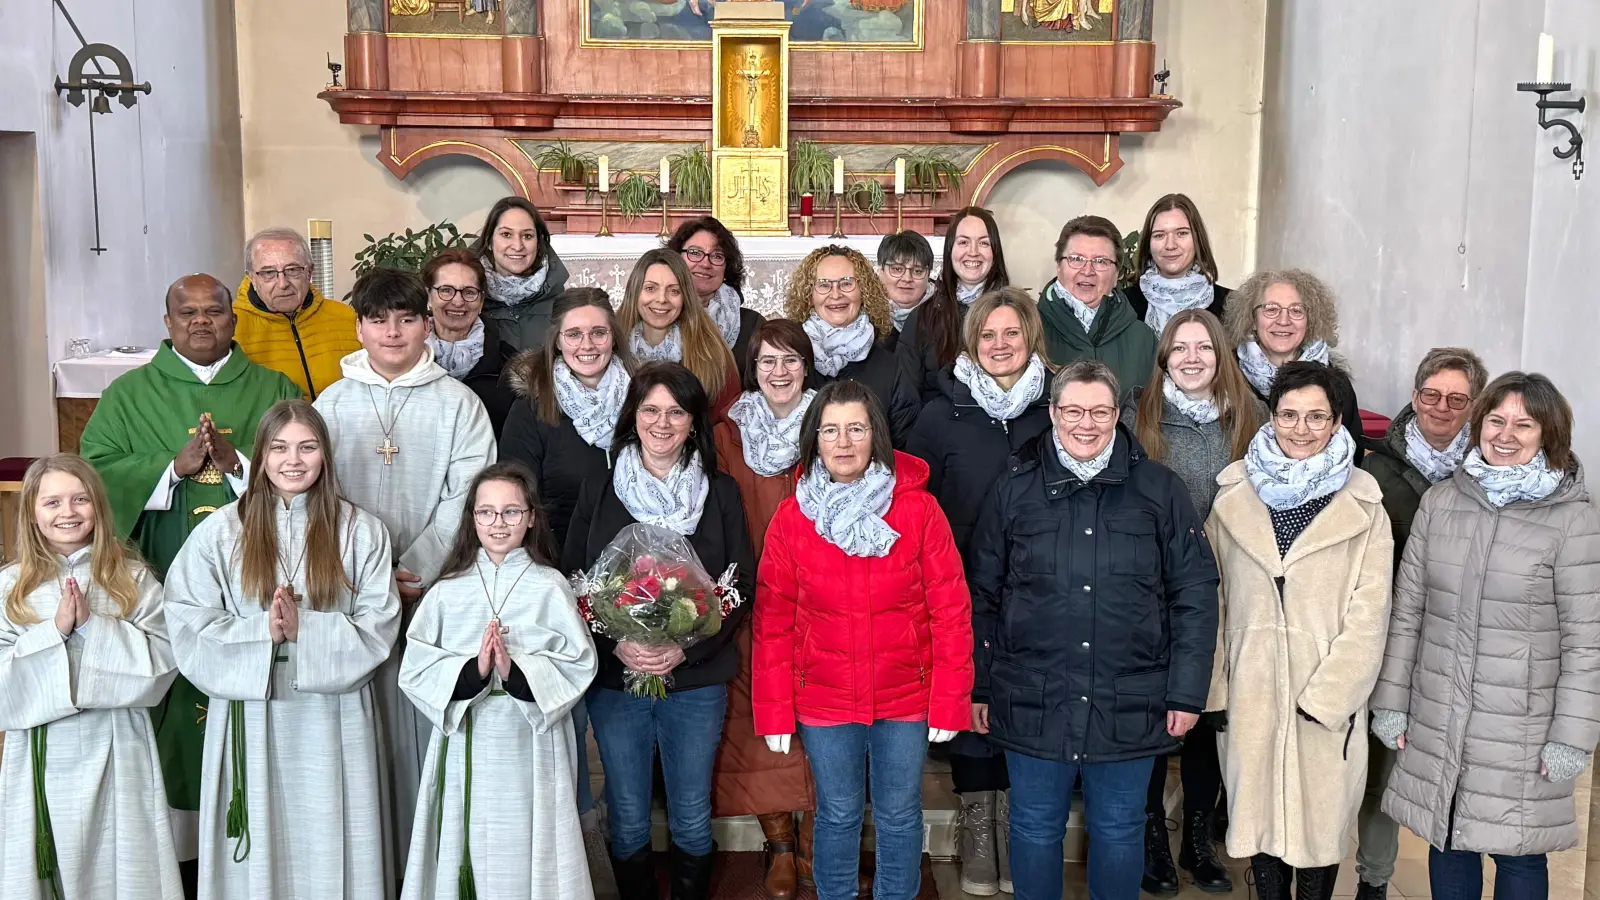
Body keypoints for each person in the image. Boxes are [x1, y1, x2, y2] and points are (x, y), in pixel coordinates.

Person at [967, 359, 1219, 900]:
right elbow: (982, 594)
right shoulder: (1014, 488)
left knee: (1120, 828)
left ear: (1117, 415)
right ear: (1053, 413)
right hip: (1030, 695)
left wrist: (1187, 692)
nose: (1087, 424)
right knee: (1034, 826)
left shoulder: (1160, 490)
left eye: (1100, 412)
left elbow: (1195, 594)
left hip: (1132, 698)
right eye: (1074, 411)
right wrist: (980, 685)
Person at [79, 273, 300, 882]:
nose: (202, 321)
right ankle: (177, 858)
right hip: (161, 568)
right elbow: (95, 473)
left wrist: (240, 466)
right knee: (174, 701)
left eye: (213, 311)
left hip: (258, 580)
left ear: (234, 319)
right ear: (168, 322)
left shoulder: (274, 387)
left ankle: (255, 851)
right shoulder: (128, 394)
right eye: (188, 313)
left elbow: (310, 461)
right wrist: (169, 469)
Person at [1371, 372, 1600, 900]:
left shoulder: (1572, 520)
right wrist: (1392, 702)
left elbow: (1586, 643)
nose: (1506, 435)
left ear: (1549, 434)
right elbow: (1408, 612)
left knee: (1518, 853)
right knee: (1449, 836)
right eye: (1496, 420)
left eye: (1524, 424)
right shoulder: (1442, 502)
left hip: (1522, 726)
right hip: (1441, 711)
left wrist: (1572, 736)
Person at [164, 400, 401, 898]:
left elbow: (378, 627)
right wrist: (263, 632)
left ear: (325, 455)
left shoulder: (362, 531)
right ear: (261, 455)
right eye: (279, 448)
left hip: (332, 713)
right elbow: (186, 619)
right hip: (252, 709)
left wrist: (305, 630)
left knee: (330, 839)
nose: (293, 460)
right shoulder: (220, 531)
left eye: (307, 447)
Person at [755, 380, 973, 900]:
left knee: (900, 813)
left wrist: (950, 699)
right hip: (824, 698)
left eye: (856, 428)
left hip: (905, 696)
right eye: (831, 430)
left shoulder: (919, 511)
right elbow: (773, 621)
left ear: (877, 434)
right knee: (836, 812)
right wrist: (775, 710)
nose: (844, 442)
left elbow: (950, 610)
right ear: (814, 439)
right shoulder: (793, 518)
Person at [313, 267, 497, 873]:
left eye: (407, 318)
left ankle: (430, 866)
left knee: (424, 732)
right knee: (362, 739)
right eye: (378, 320)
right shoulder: (331, 404)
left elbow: (467, 498)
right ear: (359, 328)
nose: (392, 332)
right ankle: (369, 866)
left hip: (432, 592)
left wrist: (414, 570)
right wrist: (369, 579)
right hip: (350, 597)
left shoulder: (459, 405)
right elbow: (315, 495)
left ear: (427, 325)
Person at [562, 362, 756, 900]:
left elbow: (739, 583)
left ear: (694, 423)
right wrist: (616, 641)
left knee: (691, 812)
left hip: (695, 681)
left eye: (676, 412)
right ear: (633, 417)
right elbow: (573, 578)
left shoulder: (720, 492)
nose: (662, 423)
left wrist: (684, 648)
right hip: (616, 681)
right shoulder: (601, 488)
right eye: (650, 410)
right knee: (627, 814)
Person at [1204, 362, 1392, 900]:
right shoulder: (1233, 496)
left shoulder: (1365, 505)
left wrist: (1331, 696)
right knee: (1258, 821)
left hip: (1325, 696)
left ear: (1336, 422)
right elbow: (1213, 601)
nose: (1301, 429)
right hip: (1251, 690)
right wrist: (1215, 687)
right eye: (1289, 415)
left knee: (1318, 828)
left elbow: (1371, 613)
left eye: (1316, 417)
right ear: (1272, 417)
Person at [903, 287, 1051, 897]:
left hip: (1041, 588)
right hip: (960, 586)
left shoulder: (1055, 408)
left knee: (1023, 701)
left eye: (1011, 333)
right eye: (987, 334)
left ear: (1031, 339)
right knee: (969, 699)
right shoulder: (941, 415)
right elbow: (913, 504)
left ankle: (1014, 827)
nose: (999, 344)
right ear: (971, 342)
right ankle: (978, 833)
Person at [399, 461, 599, 900]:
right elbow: (415, 668)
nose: (498, 522)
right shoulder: (447, 590)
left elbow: (579, 662)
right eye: (486, 512)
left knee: (529, 845)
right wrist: (473, 671)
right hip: (466, 737)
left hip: (531, 741)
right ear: (472, 518)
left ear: (531, 518)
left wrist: (516, 672)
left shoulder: (550, 587)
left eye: (511, 511)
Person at [1123, 308, 1264, 896]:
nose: (1191, 358)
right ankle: (1153, 835)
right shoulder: (1139, 417)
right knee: (1160, 714)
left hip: (1231, 590)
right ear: (1164, 358)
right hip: (1157, 590)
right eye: (1179, 348)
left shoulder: (1252, 418)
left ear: (1220, 355)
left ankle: (1198, 839)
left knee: (1209, 717)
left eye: (1203, 347)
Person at [0, 455, 182, 899]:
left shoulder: (133, 579)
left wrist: (92, 628)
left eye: (80, 499)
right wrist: (55, 632)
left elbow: (164, 663)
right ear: (32, 512)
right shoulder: (10, 587)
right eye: (52, 502)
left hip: (118, 745)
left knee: (120, 866)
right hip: (41, 752)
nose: (68, 512)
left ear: (99, 507)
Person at [499, 286, 632, 891]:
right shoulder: (534, 407)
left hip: (633, 582)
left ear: (615, 338)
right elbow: (516, 495)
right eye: (574, 334)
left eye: (598, 332)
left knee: (624, 717)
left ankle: (628, 837)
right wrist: (553, 578)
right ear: (556, 341)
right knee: (568, 719)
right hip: (556, 582)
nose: (587, 344)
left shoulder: (640, 400)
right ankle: (577, 847)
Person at [1354, 346, 1486, 900]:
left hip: (1465, 648)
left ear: (1475, 406)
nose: (1441, 408)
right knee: (1382, 772)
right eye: (1431, 395)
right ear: (1414, 396)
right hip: (1395, 641)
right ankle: (1373, 880)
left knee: (1458, 776)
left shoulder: (1490, 471)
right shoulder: (1374, 466)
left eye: (1457, 399)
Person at [709, 319, 828, 900]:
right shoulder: (727, 434)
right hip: (754, 595)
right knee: (757, 721)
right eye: (767, 361)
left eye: (790, 360)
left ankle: (818, 845)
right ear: (751, 371)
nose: (779, 371)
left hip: (824, 595)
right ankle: (780, 843)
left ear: (807, 366)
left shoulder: (833, 422)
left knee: (826, 721)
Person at [784, 245, 919, 446]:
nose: (836, 294)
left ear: (864, 291)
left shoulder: (892, 366)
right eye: (823, 285)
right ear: (808, 295)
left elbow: (904, 445)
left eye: (846, 283)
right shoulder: (789, 359)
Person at [1223, 269, 1363, 458]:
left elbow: (1353, 454)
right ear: (1252, 320)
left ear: (1310, 322)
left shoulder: (1334, 381)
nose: (1283, 321)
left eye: (1296, 311)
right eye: (1271, 309)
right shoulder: (1224, 374)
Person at [232, 227, 362, 400]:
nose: (283, 283)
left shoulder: (347, 317)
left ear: (309, 272)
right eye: (269, 273)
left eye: (292, 270)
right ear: (252, 279)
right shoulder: (232, 328)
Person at [1038, 215, 1157, 397]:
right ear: (1059, 267)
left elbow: (1153, 408)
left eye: (1100, 261)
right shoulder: (1029, 328)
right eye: (1076, 259)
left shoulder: (1143, 339)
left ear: (1117, 274)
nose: (1087, 271)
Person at [898, 208, 1010, 401]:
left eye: (983, 243)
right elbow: (905, 399)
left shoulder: (1018, 313)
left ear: (995, 252)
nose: (973, 252)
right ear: (950, 250)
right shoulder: (921, 318)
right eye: (963, 242)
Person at [617, 248, 741, 420]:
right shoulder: (610, 346)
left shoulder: (712, 352)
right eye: (650, 288)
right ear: (635, 292)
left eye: (674, 291)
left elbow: (729, 421)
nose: (662, 299)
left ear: (686, 297)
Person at [423, 248, 518, 436]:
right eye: (446, 290)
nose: (458, 302)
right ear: (428, 297)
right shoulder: (405, 360)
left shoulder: (511, 367)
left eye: (469, 292)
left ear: (481, 301)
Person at [471, 197, 570, 352]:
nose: (517, 246)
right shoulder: (468, 296)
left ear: (539, 244)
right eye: (506, 234)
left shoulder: (562, 306)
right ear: (489, 240)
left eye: (527, 236)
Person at [1123, 194, 1232, 332]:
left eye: (1181, 233)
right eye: (1159, 235)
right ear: (1148, 244)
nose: (1170, 245)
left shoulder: (1232, 306)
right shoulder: (1123, 305)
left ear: (1198, 239)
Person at [667, 216, 764, 369]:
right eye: (695, 252)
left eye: (717, 256)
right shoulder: (656, 315)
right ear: (676, 259)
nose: (706, 263)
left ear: (727, 267)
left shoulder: (752, 325)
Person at [876, 230, 936, 353]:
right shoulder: (865, 318)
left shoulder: (947, 315)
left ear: (928, 274)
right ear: (881, 271)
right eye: (897, 269)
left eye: (917, 271)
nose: (907, 279)